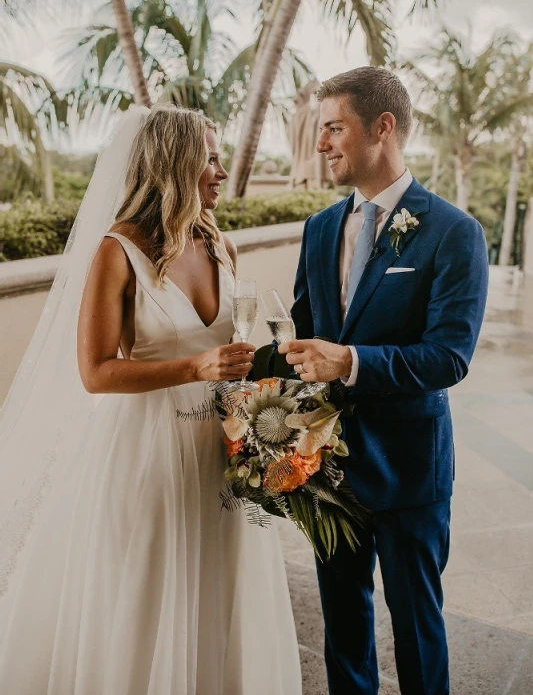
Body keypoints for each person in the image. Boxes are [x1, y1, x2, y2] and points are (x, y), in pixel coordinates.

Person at [0, 104, 302, 694]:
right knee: (146, 590)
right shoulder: (118, 251)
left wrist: (270, 404)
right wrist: (194, 366)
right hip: (144, 452)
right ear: (175, 163)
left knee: (216, 587)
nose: (221, 170)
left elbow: (231, 351)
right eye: (210, 158)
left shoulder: (221, 245)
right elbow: (94, 372)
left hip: (218, 453)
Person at [278, 67, 489, 695]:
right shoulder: (319, 230)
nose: (323, 145)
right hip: (331, 469)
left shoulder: (455, 232)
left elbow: (449, 357)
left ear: (384, 128)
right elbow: (305, 330)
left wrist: (352, 362)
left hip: (409, 470)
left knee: (418, 626)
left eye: (335, 128)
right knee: (343, 629)